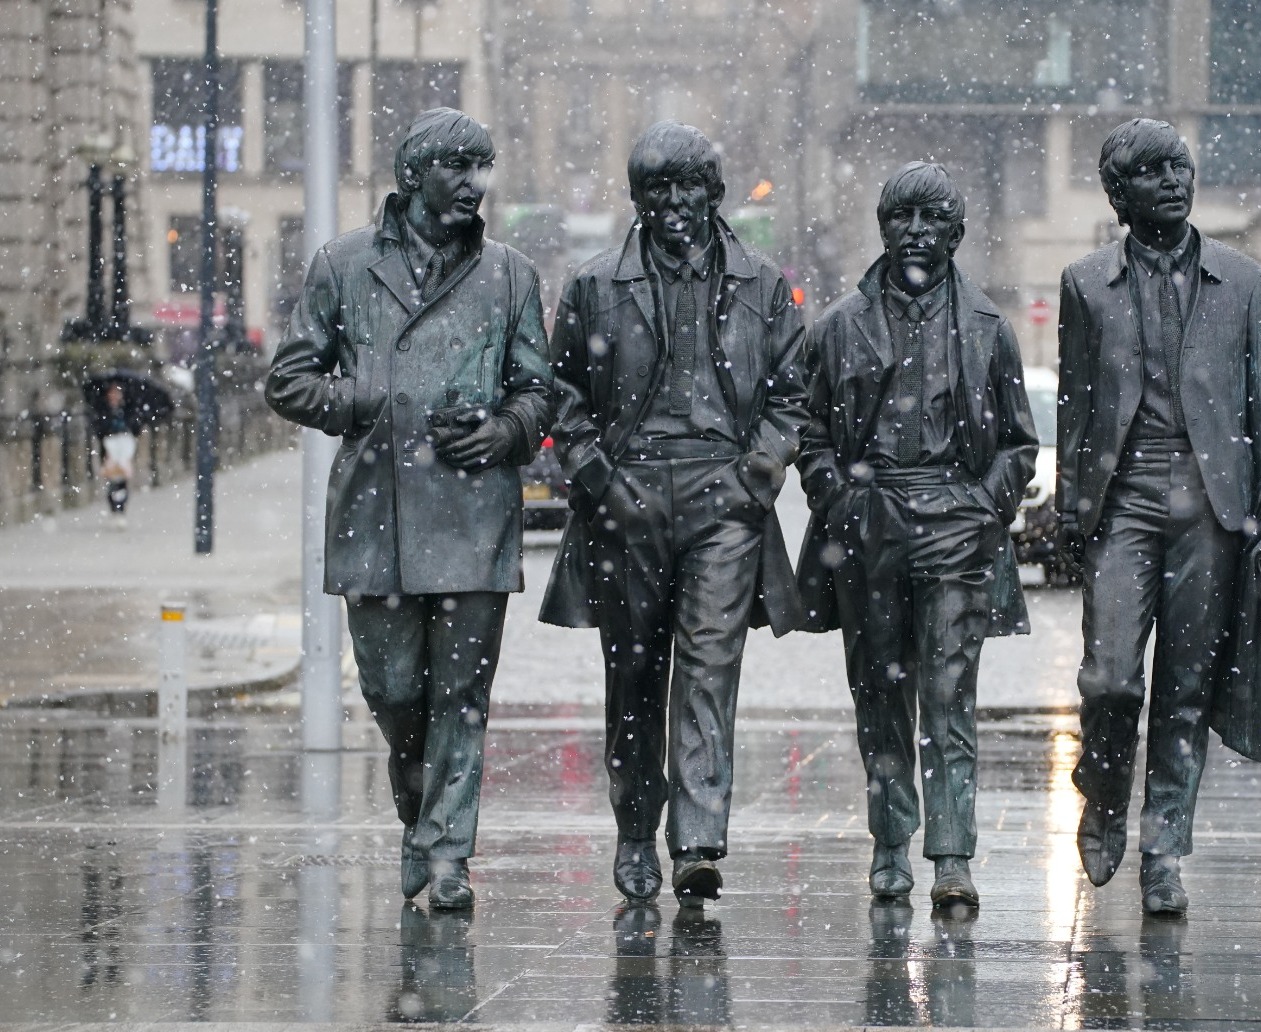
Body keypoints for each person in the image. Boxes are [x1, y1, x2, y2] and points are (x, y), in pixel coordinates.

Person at [266, 107, 553, 910]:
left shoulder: (510, 274)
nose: (473, 183)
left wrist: (502, 431)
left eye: (482, 166)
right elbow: (288, 380)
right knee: (396, 693)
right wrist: (362, 397)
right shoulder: (344, 266)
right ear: (413, 177)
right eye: (457, 167)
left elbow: (540, 392)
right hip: (376, 516)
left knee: (462, 696)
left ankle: (448, 856)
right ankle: (418, 813)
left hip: (471, 516)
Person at [539, 121, 807, 908]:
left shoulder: (763, 283)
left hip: (724, 500)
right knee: (635, 675)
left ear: (716, 193)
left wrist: (757, 471)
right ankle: (634, 828)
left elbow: (793, 394)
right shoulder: (595, 285)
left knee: (709, 665)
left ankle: (695, 837)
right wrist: (596, 477)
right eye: (659, 188)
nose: (676, 203)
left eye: (690, 186)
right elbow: (563, 396)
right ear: (638, 199)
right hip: (629, 497)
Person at [1055, 118, 1261, 914]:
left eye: (1180, 167)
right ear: (1120, 194)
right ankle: (1104, 795)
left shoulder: (1248, 284)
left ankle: (1164, 849)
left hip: (1213, 509)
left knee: (1186, 690)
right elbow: (1075, 405)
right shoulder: (1087, 284)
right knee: (1112, 680)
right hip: (1122, 502)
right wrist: (1070, 506)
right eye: (1152, 172)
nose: (1172, 181)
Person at [796, 162, 1038, 908]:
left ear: (957, 235)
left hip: (957, 531)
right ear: (883, 226)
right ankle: (891, 844)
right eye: (903, 217)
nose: (916, 232)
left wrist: (981, 505)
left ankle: (953, 855)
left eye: (933, 219)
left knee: (949, 697)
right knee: (879, 695)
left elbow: (1019, 445)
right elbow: (808, 433)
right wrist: (839, 498)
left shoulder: (991, 327)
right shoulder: (838, 326)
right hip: (872, 527)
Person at [98, 382, 136, 522]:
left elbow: (134, 426)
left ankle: (121, 509)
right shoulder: (103, 410)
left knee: (123, 481)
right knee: (111, 480)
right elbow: (100, 428)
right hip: (109, 448)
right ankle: (114, 507)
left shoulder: (127, 410)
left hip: (124, 447)